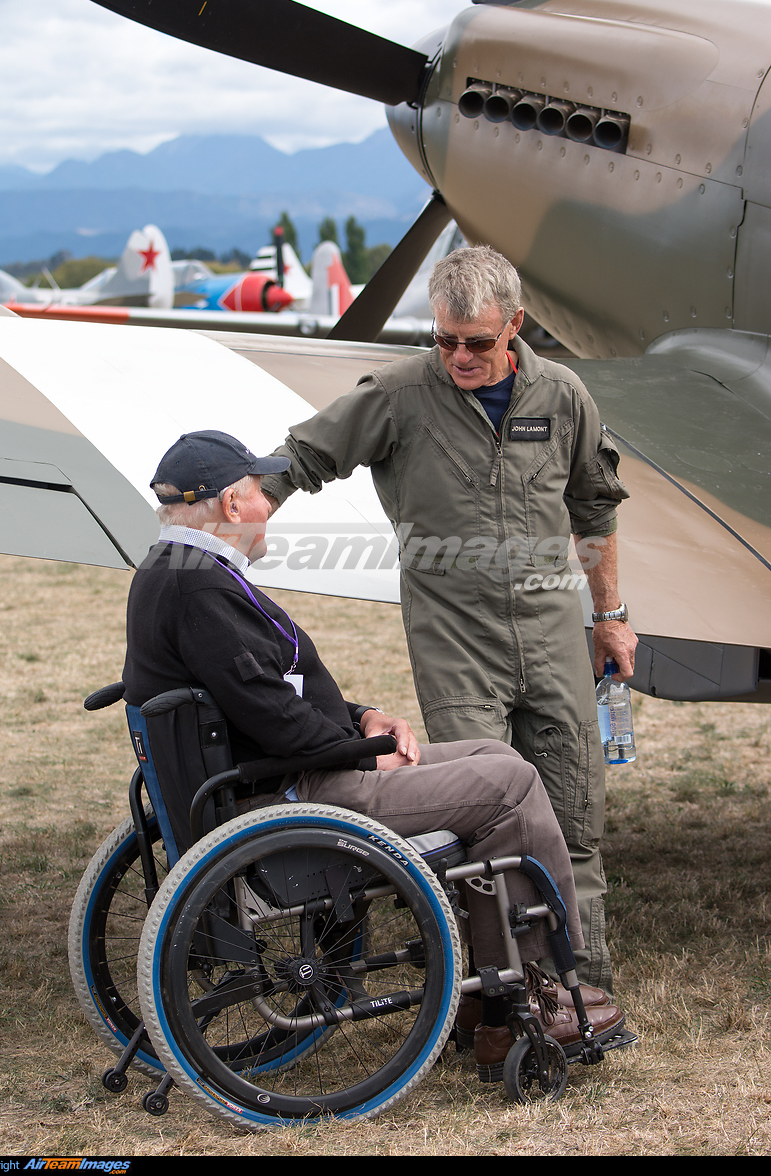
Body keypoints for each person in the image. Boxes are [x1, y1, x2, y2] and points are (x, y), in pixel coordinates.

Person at [121, 428, 625, 1077]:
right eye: (256, 491)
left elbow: (272, 692)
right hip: (303, 792)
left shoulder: (180, 573)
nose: (266, 505)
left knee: (499, 761)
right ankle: (526, 993)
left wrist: (365, 719)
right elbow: (272, 716)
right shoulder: (198, 590)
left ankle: (494, 995)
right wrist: (362, 750)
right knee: (510, 790)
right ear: (231, 505)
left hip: (295, 771)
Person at [259, 246, 638, 994]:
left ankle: (582, 981)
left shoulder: (562, 395)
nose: (459, 356)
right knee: (477, 819)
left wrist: (610, 617)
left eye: (477, 342)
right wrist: (231, 514)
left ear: (515, 327)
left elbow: (595, 506)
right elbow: (302, 456)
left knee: (574, 812)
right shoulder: (399, 395)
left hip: (554, 633)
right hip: (458, 642)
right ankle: (500, 996)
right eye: (445, 340)